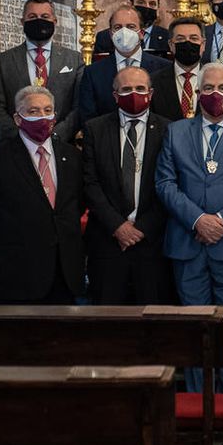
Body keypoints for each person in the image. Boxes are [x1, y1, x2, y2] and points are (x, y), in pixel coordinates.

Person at [155, 62, 223, 392]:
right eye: (208, 88)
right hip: (187, 243)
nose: (215, 94)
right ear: (197, 93)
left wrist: (222, 221)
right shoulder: (176, 132)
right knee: (194, 323)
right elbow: (165, 183)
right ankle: (198, 398)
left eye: (222, 88)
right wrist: (198, 220)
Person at [0, 85, 85, 303]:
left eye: (47, 110)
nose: (42, 117)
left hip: (64, 273)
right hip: (16, 277)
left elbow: (76, 205)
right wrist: (3, 257)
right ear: (17, 118)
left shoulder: (72, 157)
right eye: (33, 111)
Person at [82, 65, 175, 304]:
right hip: (108, 241)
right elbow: (90, 183)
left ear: (151, 93)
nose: (133, 94)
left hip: (152, 242)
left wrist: (141, 228)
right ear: (115, 95)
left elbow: (170, 185)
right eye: (126, 89)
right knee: (107, 318)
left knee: (153, 317)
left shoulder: (169, 130)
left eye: (140, 88)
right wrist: (118, 226)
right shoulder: (95, 129)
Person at [0, 0, 83, 138]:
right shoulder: (4, 61)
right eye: (32, 17)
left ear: (55, 21)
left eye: (45, 17)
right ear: (22, 22)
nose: (39, 21)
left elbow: (79, 106)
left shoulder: (74, 59)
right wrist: (21, 137)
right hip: (16, 142)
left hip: (61, 142)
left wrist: (56, 135)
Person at [78, 4, 167, 123]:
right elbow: (88, 117)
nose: (124, 32)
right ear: (111, 34)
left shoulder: (163, 68)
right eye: (118, 27)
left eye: (131, 27)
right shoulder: (93, 72)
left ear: (141, 33)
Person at [91, 0, 172, 59]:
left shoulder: (167, 37)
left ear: (158, 8)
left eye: (152, 4)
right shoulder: (105, 37)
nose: (147, 7)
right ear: (130, 5)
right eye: (141, 2)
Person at [154, 17, 205, 121]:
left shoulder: (215, 80)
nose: (187, 43)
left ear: (203, 45)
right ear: (171, 45)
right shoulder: (154, 82)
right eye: (180, 39)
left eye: (193, 38)